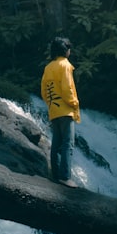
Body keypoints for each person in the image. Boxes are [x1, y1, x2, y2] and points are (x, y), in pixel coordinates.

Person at [40, 36, 81, 187]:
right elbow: (67, 88)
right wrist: (74, 103)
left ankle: (56, 175)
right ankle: (65, 177)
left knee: (56, 143)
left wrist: (51, 104)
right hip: (65, 109)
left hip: (54, 110)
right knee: (68, 144)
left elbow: (44, 90)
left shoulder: (49, 67)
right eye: (69, 48)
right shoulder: (65, 65)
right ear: (65, 50)